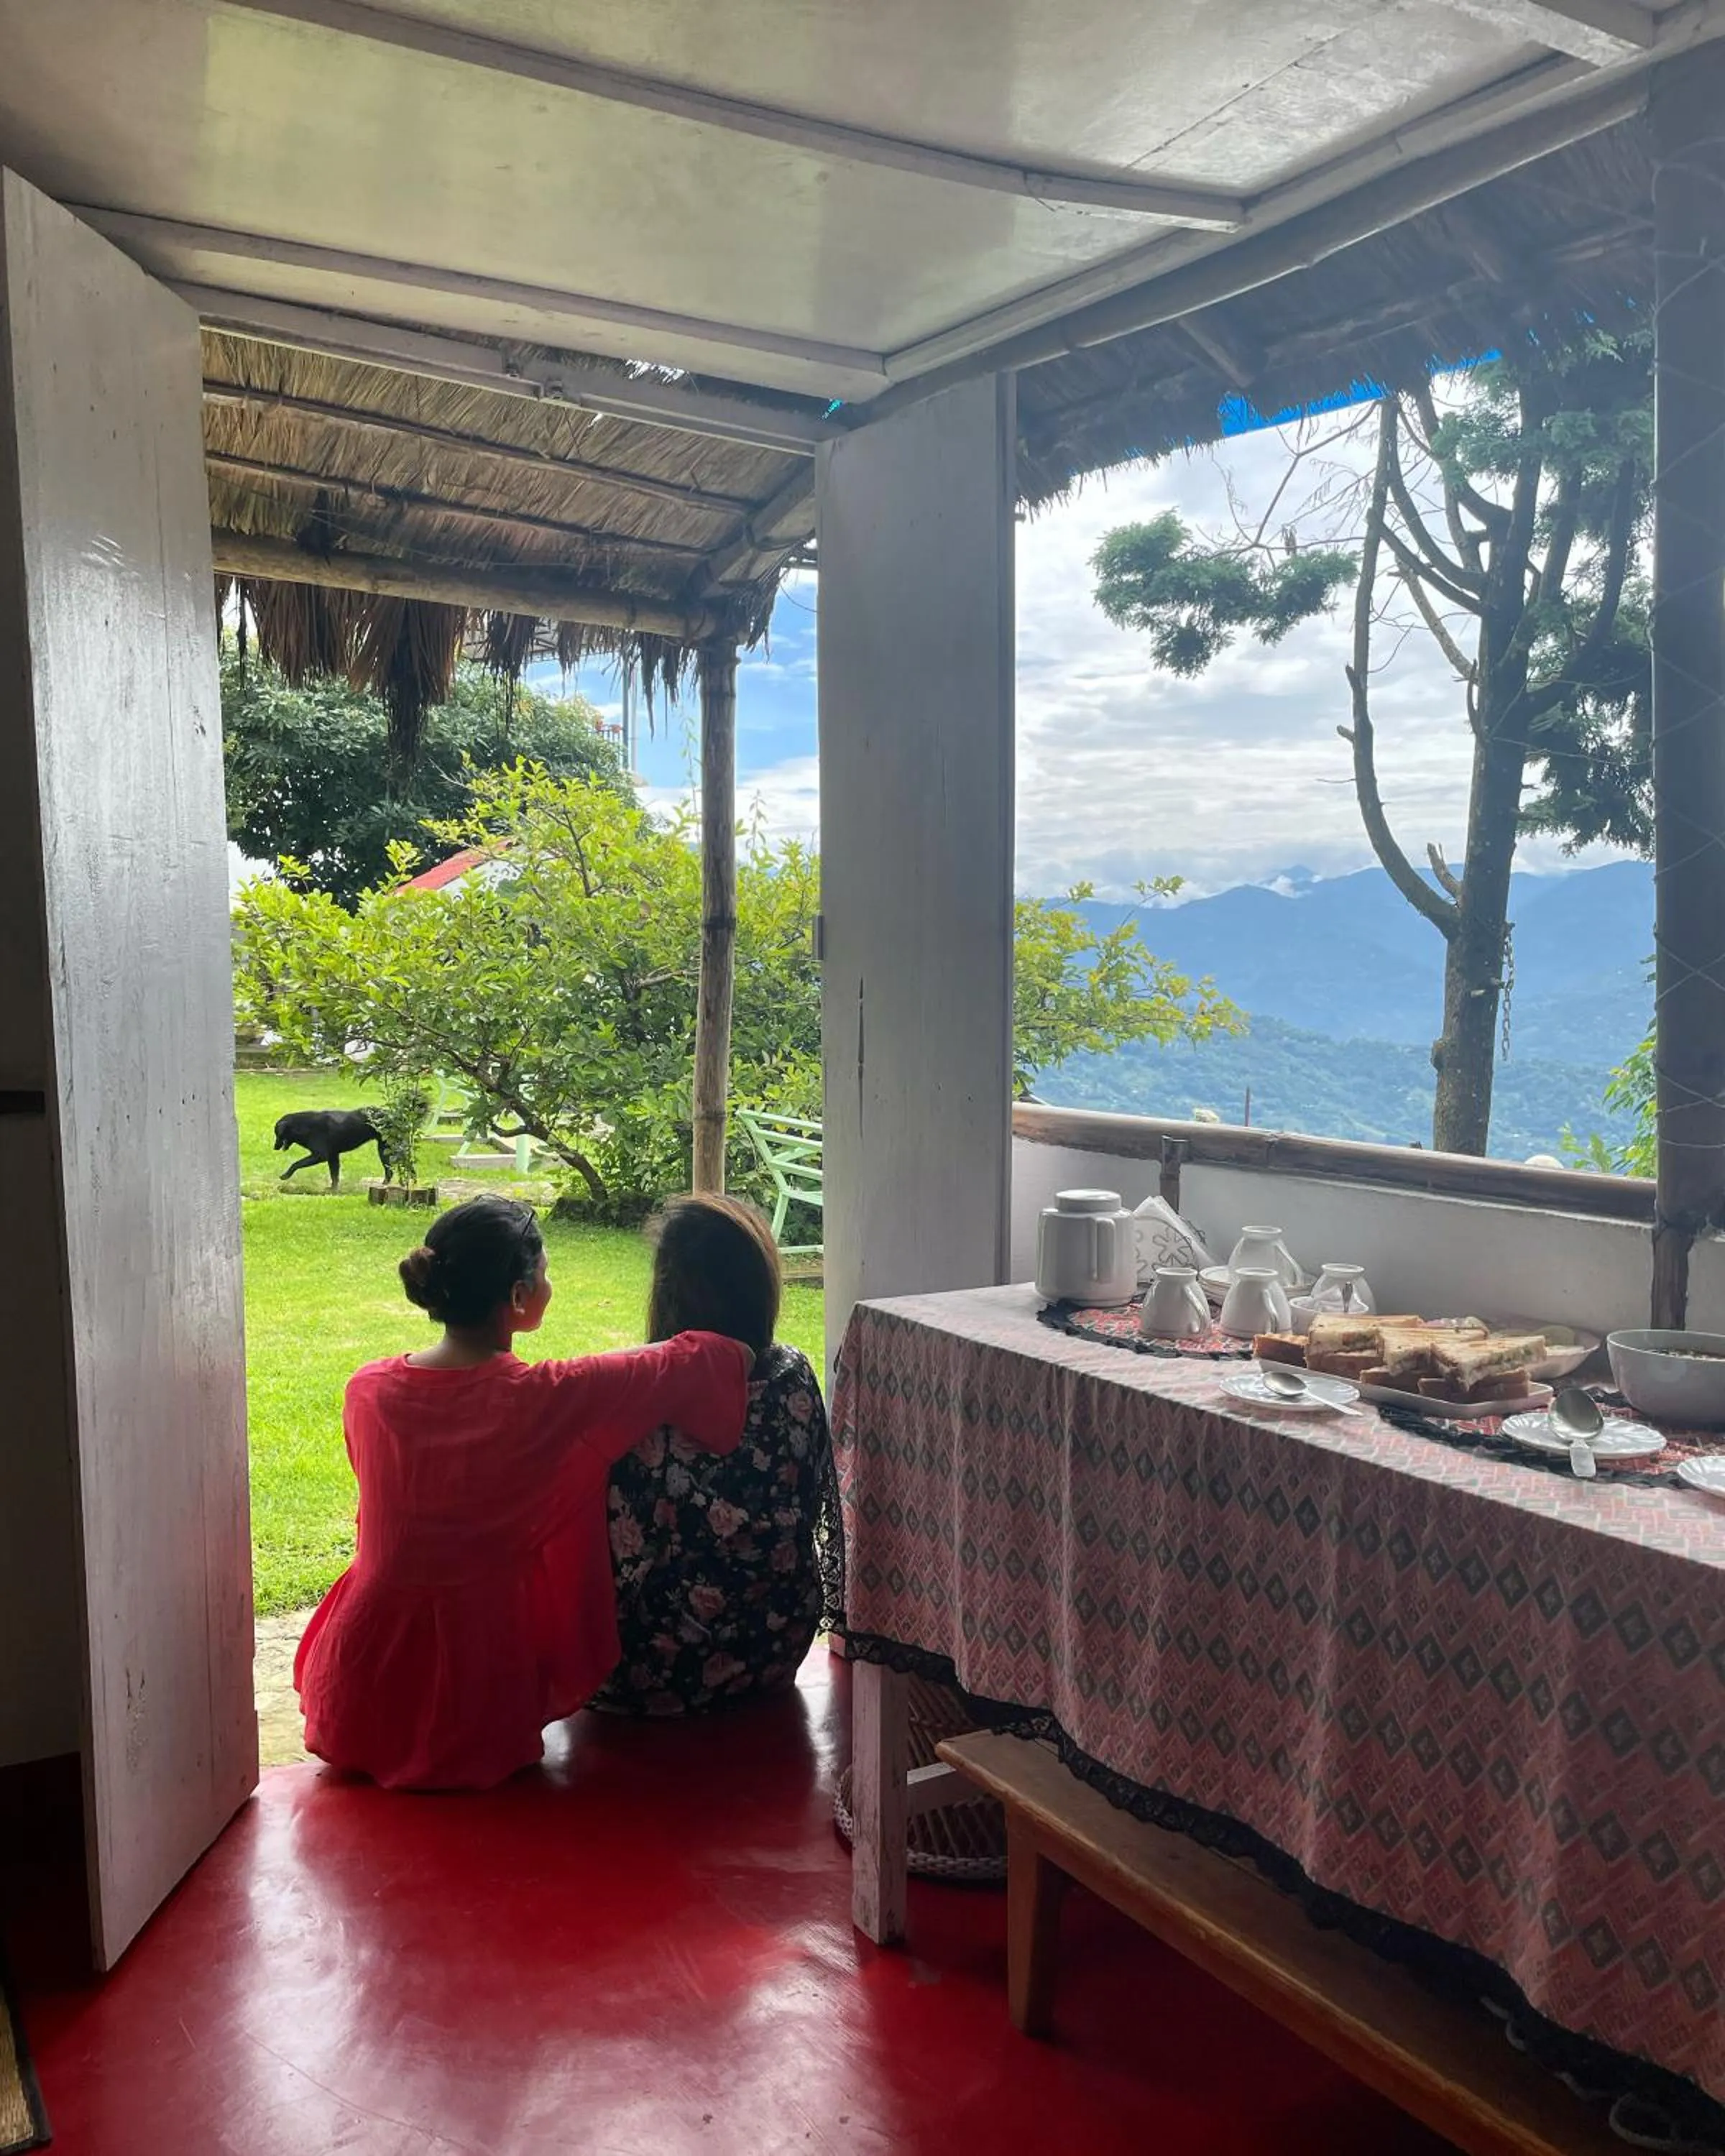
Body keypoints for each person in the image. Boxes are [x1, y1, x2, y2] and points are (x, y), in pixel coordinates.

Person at [293, 1195, 753, 1790]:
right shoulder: (542, 1398)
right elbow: (695, 1359)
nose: (551, 1283)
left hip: (357, 1686)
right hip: (474, 1701)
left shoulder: (367, 1389)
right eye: (546, 1272)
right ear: (517, 1299)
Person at [591, 1194, 841, 1717]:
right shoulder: (792, 1375)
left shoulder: (641, 1395)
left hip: (649, 1671)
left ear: (669, 1291)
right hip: (774, 1648)